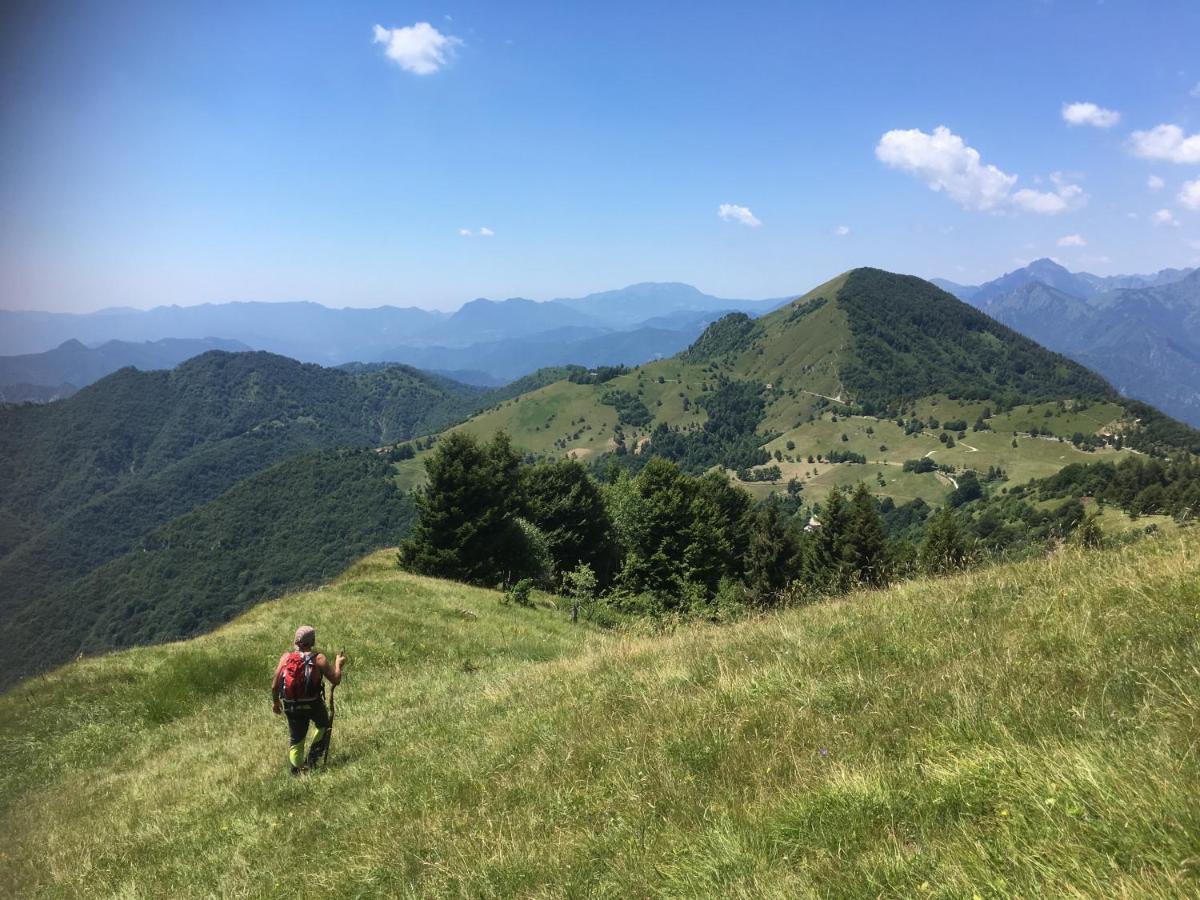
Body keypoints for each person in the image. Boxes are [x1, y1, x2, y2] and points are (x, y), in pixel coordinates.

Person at [271, 625, 347, 774]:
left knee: (296, 738)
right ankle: (312, 759)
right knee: (323, 725)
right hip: (313, 703)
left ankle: (296, 769)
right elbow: (335, 679)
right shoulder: (318, 658)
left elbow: (274, 685)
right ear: (312, 641)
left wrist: (276, 702)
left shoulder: (285, 658)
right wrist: (338, 664)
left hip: (291, 705)